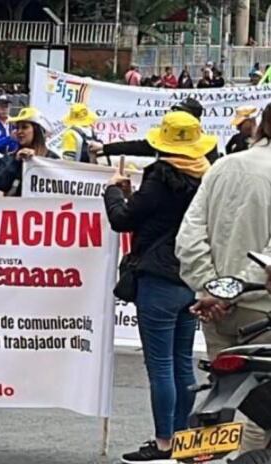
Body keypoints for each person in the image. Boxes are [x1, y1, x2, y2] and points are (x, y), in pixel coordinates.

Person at [104, 111, 214, 463]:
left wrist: (112, 192)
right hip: (190, 276)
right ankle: (182, 438)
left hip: (158, 278)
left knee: (160, 367)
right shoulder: (207, 176)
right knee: (183, 362)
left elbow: (122, 219)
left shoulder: (160, 178)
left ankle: (164, 441)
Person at [176, 103, 271, 453]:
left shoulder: (221, 167)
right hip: (261, 309)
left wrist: (210, 288)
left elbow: (189, 236)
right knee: (260, 418)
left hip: (214, 310)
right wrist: (227, 291)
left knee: (222, 398)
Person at [90, 98, 221, 166]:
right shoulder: (166, 138)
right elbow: (138, 146)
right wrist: (104, 148)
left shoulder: (207, 145)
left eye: (181, 113)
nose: (174, 115)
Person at [0, 107, 58, 196]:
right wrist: (16, 162)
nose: (19, 131)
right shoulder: (11, 157)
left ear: (37, 130)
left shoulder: (53, 159)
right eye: (17, 127)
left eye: (24, 127)